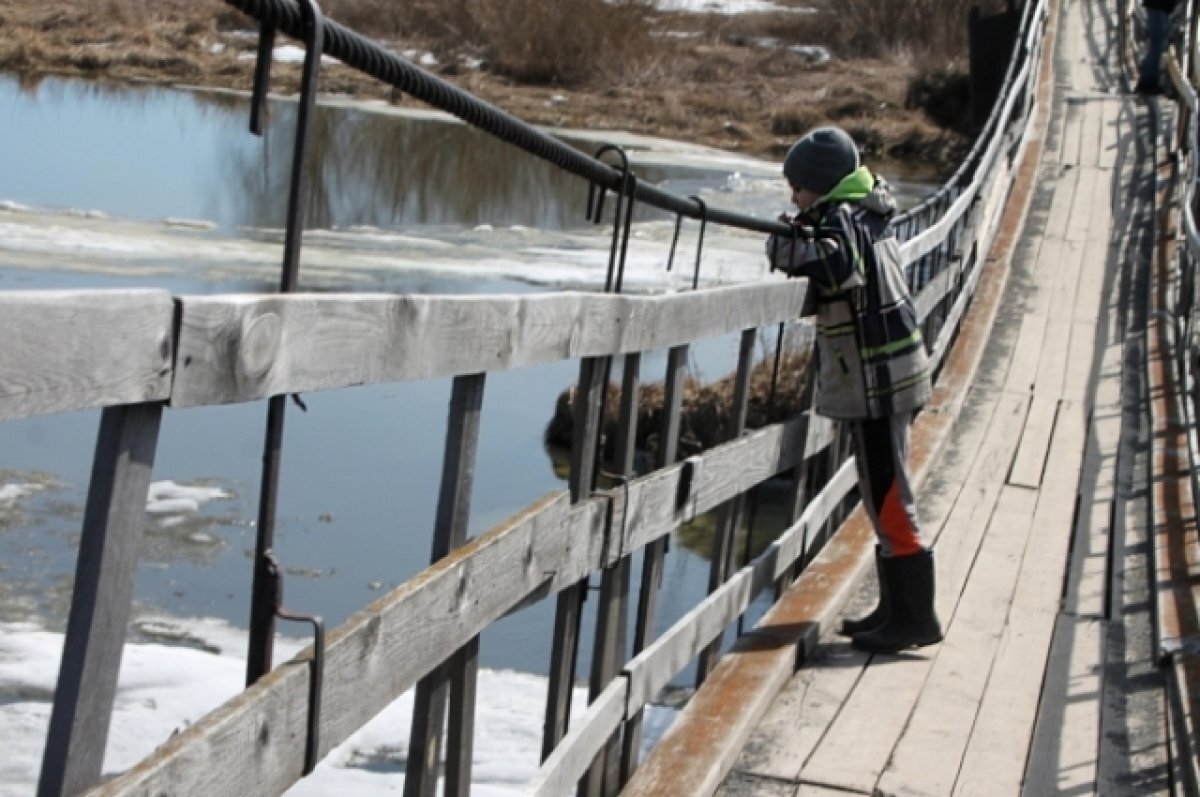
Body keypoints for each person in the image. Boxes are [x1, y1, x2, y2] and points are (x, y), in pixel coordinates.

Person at [765, 126, 942, 654]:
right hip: (888, 376)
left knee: (888, 494)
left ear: (819, 186)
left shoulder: (845, 222)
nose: (792, 197)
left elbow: (838, 265)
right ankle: (896, 608)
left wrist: (783, 243)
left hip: (879, 382)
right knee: (878, 488)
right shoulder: (866, 212)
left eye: (797, 188)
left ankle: (915, 618)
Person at [1137, 0, 1177, 95]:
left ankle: (1150, 77)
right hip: (1158, 6)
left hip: (1161, 6)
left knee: (1159, 44)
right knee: (1157, 45)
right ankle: (1148, 80)